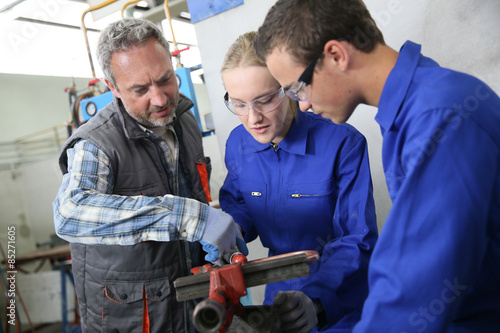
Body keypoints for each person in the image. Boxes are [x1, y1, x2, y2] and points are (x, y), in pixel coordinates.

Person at [253, 0, 500, 332]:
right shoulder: (416, 109)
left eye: (299, 87)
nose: (305, 104)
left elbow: (417, 288)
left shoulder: (438, 117)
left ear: (337, 55)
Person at [53, 18, 247, 333]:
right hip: (132, 321)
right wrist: (192, 218)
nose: (159, 99)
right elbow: (70, 214)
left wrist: (213, 229)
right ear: (112, 87)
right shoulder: (96, 143)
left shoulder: (184, 122)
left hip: (194, 309)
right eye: (140, 89)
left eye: (165, 79)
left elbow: (191, 197)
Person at [219, 31, 378, 332]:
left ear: (288, 89)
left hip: (339, 301)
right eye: (239, 104)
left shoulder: (342, 143)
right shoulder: (238, 144)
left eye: (264, 100)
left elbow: (357, 239)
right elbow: (238, 204)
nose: (253, 118)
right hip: (276, 295)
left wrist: (317, 301)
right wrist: (230, 230)